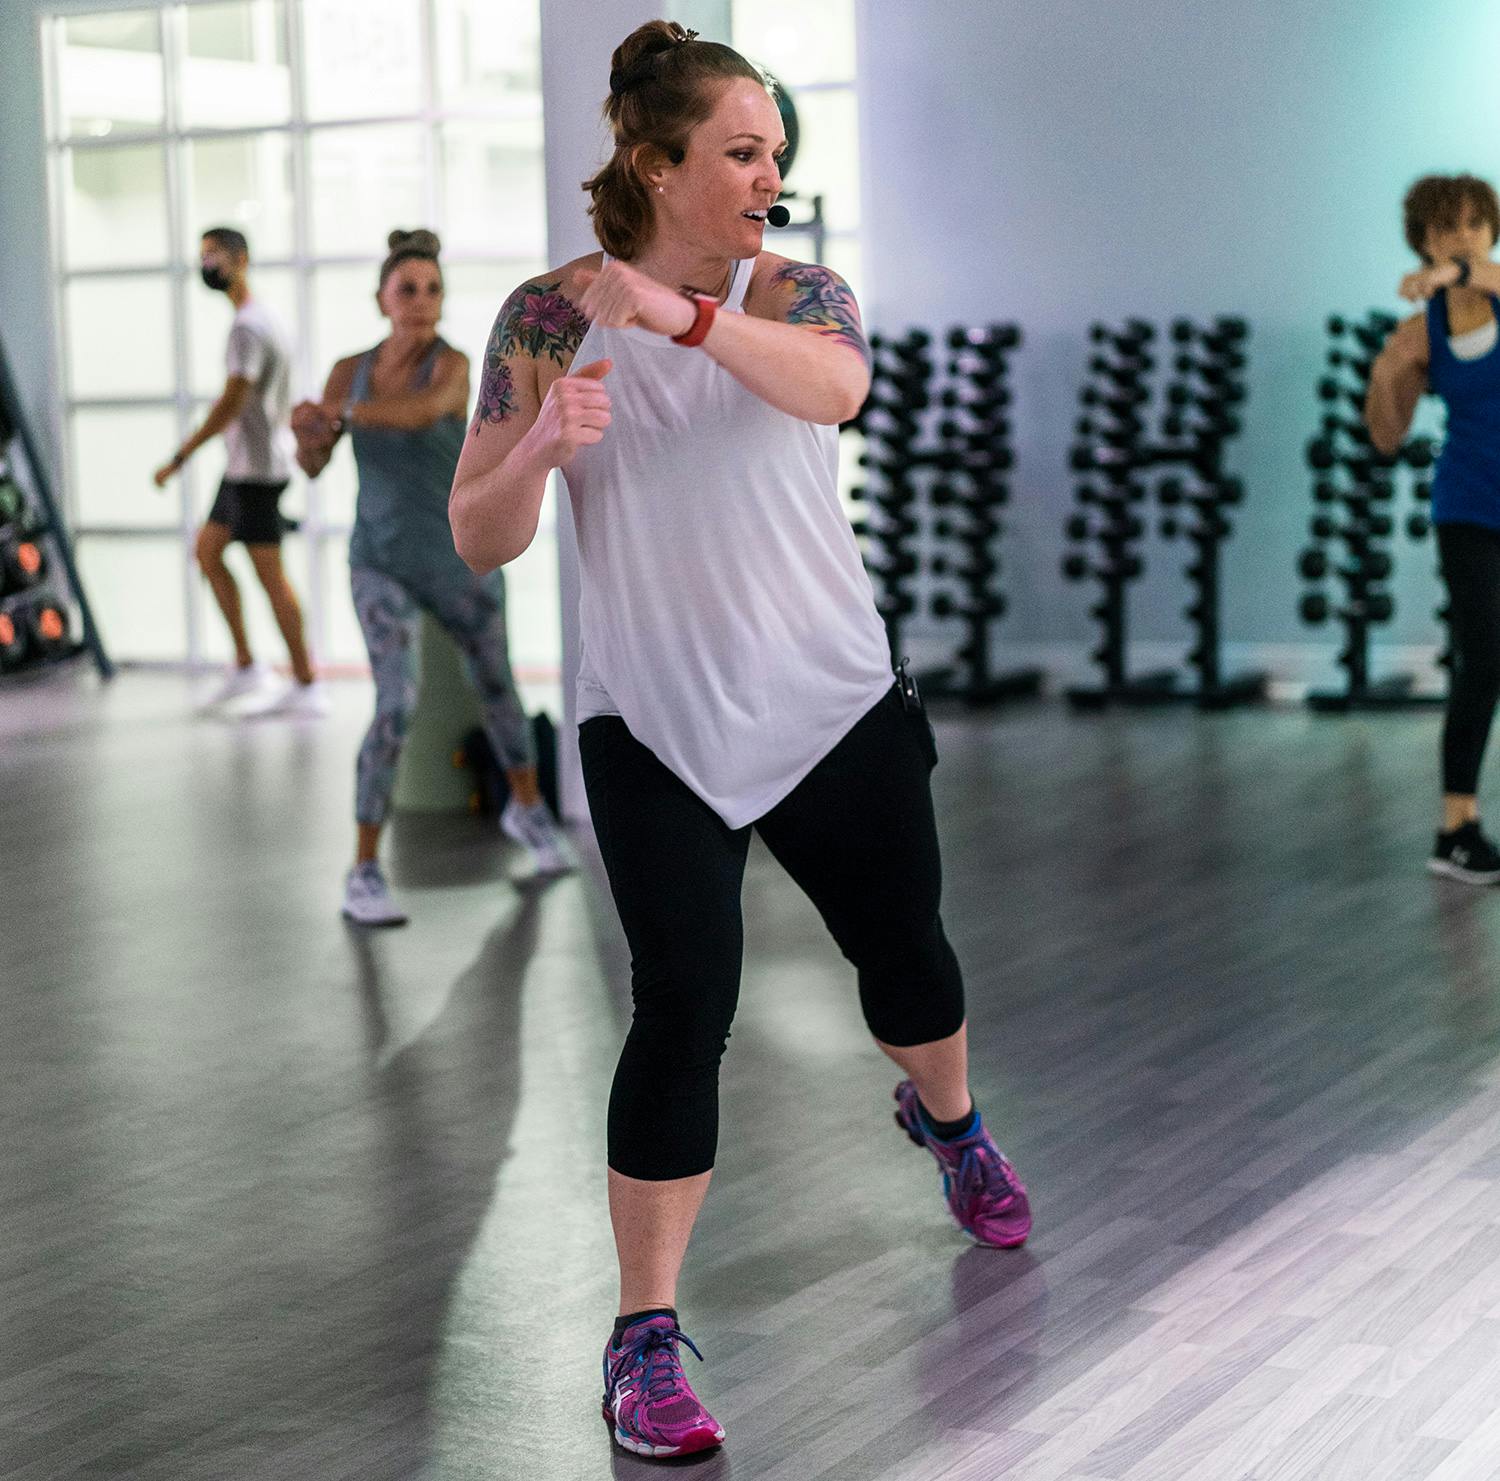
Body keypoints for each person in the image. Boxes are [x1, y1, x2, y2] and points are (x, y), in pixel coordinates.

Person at [448, 22, 1031, 1460]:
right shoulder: (540, 318)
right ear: (657, 161)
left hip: (830, 702)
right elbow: (479, 532)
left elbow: (838, 391)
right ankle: (643, 1336)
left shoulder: (802, 290)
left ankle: (949, 1121)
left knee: (909, 967)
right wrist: (539, 447)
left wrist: (685, 316)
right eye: (742, 150)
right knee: (681, 1000)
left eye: (777, 150)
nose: (772, 172)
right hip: (653, 723)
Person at [291, 229, 569, 927]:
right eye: (408, 288)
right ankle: (362, 870)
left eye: (433, 289)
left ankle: (529, 815)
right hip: (379, 560)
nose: (422, 301)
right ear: (382, 297)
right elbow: (314, 463)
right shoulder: (347, 370)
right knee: (396, 702)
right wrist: (306, 430)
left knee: (496, 685)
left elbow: (421, 413)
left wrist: (338, 415)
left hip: (457, 561)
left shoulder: (451, 366)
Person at [1368, 173, 1500, 884]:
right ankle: (1457, 827)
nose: (1463, 238)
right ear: (1421, 241)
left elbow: (1484, 275)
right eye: (1445, 229)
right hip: (1470, 507)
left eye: (1475, 225)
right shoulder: (1424, 331)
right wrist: (1389, 376)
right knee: (1483, 659)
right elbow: (1386, 437)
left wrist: (1460, 273)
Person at [155, 226, 325, 715]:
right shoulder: (257, 319)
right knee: (208, 551)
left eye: (215, 255)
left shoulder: (249, 327)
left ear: (240, 259)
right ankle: (248, 665)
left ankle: (307, 681)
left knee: (270, 576)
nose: (207, 264)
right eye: (202, 254)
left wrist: (180, 455)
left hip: (258, 472)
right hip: (243, 468)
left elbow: (232, 402)